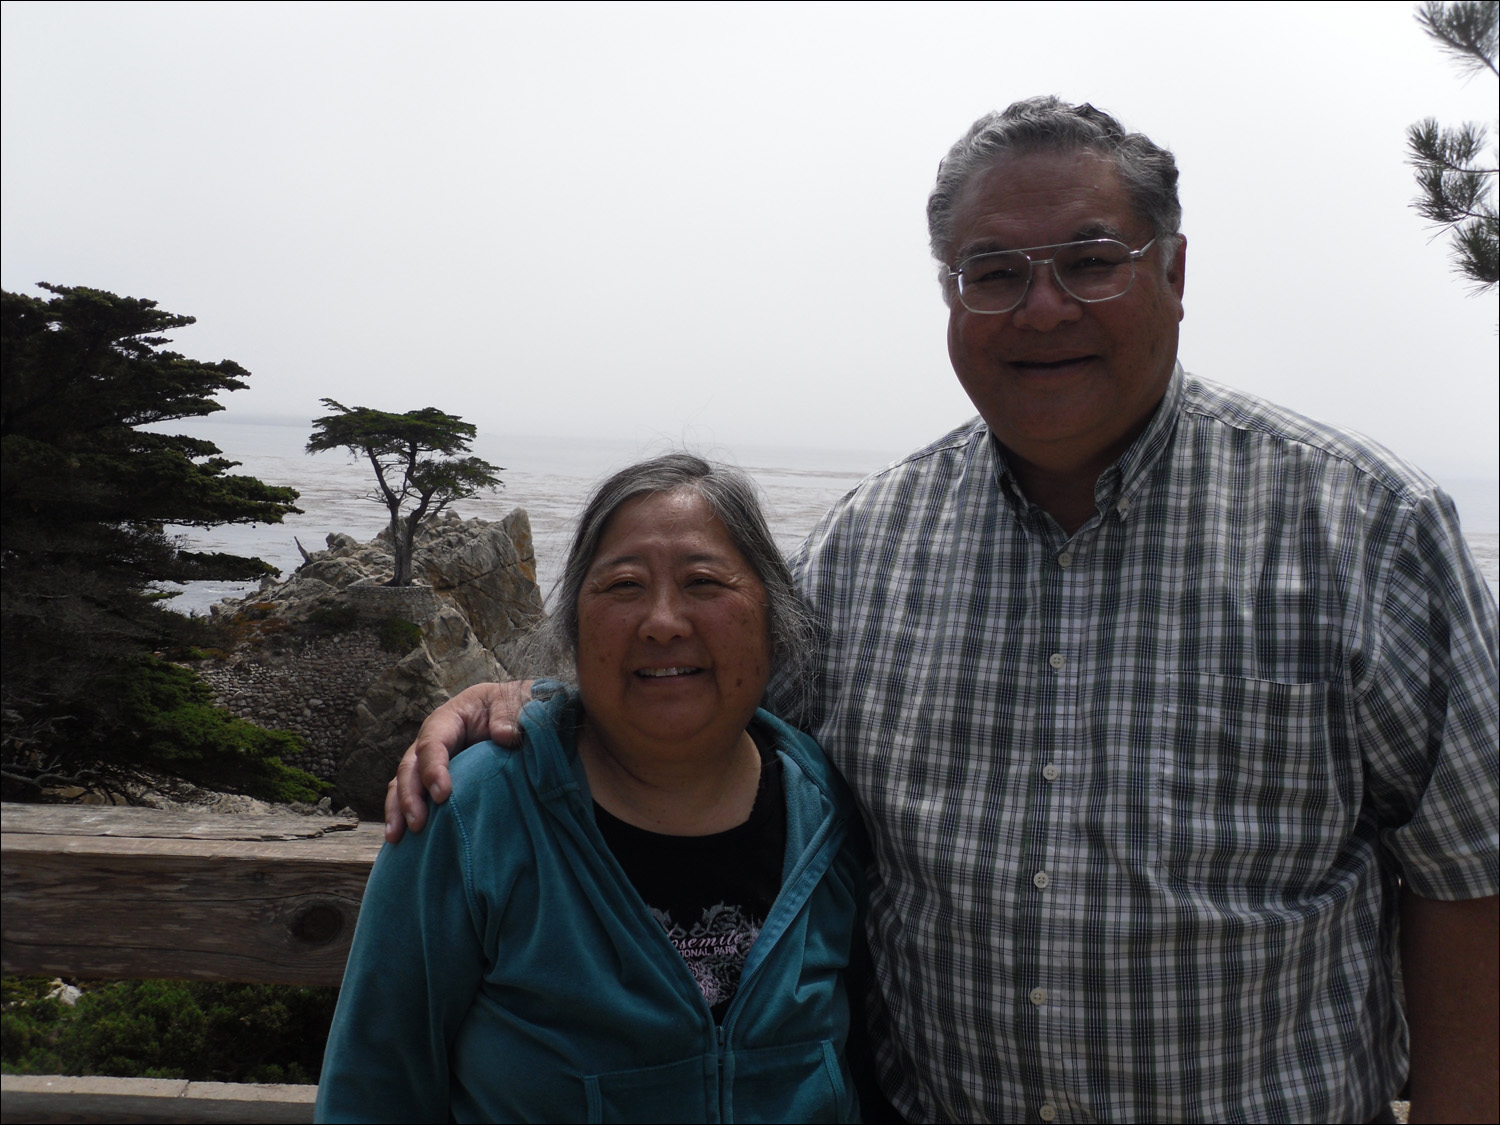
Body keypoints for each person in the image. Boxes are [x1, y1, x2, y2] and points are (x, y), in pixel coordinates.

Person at [387, 99, 1499, 1123]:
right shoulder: (868, 546)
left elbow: (1470, 881)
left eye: (1090, 261)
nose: (1045, 305)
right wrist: (529, 708)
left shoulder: (1368, 527)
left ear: (1175, 271)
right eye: (995, 271)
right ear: (950, 297)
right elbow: (703, 732)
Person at [317, 454, 867, 1123]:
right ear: (573, 630)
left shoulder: (827, 809)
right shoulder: (474, 815)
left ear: (771, 620)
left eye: (703, 581)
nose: (663, 620)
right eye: (623, 585)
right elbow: (374, 1090)